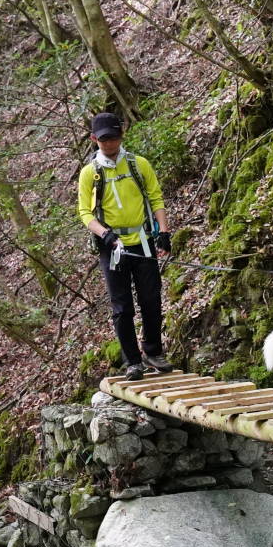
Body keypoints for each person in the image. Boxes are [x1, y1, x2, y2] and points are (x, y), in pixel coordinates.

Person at [77, 112, 176, 380]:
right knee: (122, 308)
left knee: (151, 301)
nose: (110, 144)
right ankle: (133, 361)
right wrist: (104, 234)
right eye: (105, 139)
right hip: (112, 248)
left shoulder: (138, 164)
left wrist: (163, 232)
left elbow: (156, 198)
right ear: (94, 139)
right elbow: (85, 213)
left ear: (122, 135)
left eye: (115, 137)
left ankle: (154, 352)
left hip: (143, 242)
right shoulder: (90, 174)